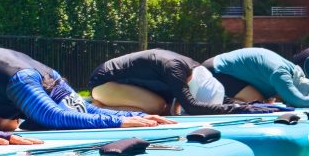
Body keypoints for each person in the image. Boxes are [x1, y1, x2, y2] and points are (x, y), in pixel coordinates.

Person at [0, 40, 175, 131]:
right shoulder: (23, 81)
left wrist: (129, 118)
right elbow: (63, 114)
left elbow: (73, 113)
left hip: (3, 74)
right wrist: (126, 118)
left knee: (0, 125)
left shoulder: (53, 78)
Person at [87, 49, 286, 116]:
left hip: (125, 84)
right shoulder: (175, 70)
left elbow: (218, 99)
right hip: (103, 84)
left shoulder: (195, 71)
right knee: (157, 107)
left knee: (167, 107)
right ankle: (100, 107)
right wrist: (239, 111)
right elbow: (193, 106)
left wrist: (250, 106)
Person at [203, 47, 309, 110]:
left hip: (223, 70)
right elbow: (298, 100)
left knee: (265, 102)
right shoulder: (281, 74)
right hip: (216, 72)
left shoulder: (290, 70)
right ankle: (220, 104)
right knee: (258, 103)